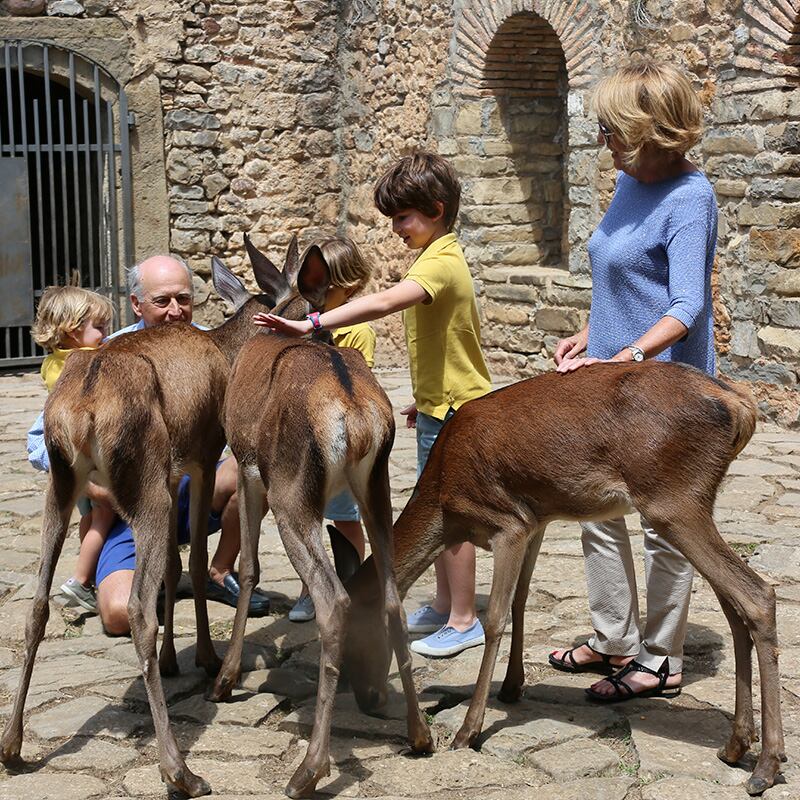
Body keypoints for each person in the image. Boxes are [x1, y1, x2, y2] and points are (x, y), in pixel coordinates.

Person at [255, 151, 492, 658]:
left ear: (436, 207)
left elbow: (386, 301)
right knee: (436, 510)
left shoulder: (443, 260)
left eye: (403, 217)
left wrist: (313, 323)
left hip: (458, 409)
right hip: (440, 404)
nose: (396, 229)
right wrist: (423, 402)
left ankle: (465, 618)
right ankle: (445, 602)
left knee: (455, 516)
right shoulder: (434, 256)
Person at [548, 59, 718, 702]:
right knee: (597, 509)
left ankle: (661, 658)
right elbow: (623, 279)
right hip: (613, 379)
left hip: (666, 392)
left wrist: (628, 355)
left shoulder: (689, 197)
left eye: (613, 132)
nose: (603, 143)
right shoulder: (629, 181)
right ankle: (614, 638)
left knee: (664, 522)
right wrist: (592, 335)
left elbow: (685, 306)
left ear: (654, 132)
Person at [27, 255, 269, 635]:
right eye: (162, 301)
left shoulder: (216, 344)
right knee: (120, 616)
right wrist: (91, 486)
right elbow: (41, 441)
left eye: (184, 299)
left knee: (257, 468)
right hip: (131, 508)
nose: (176, 311)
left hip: (195, 492)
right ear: (137, 304)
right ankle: (144, 577)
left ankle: (218, 571)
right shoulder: (110, 351)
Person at [288, 236, 375, 623]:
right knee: (305, 515)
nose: (319, 298)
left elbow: (358, 382)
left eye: (330, 289)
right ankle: (311, 587)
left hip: (339, 437)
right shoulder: (305, 323)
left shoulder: (357, 331)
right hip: (306, 436)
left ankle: (351, 582)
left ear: (351, 286)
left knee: (344, 517)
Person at [30, 285, 116, 612]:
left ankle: (89, 574)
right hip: (90, 458)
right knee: (106, 511)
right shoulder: (87, 362)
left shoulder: (52, 363)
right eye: (100, 328)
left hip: (69, 458)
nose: (106, 334)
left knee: (92, 515)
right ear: (73, 332)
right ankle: (80, 581)